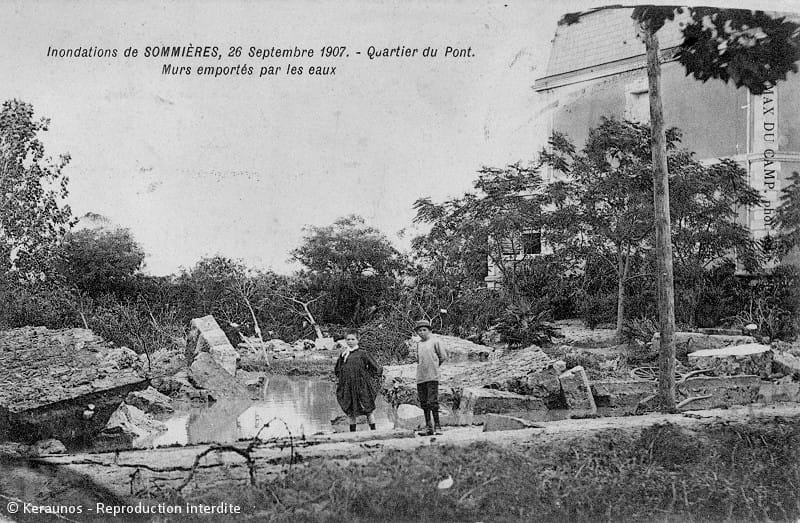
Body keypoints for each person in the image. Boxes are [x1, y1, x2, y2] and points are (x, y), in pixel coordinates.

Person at [334, 330, 382, 432]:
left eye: (353, 339)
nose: (350, 341)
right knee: (351, 411)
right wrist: (343, 381)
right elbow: (338, 370)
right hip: (349, 387)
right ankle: (353, 433)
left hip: (362, 386)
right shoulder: (344, 355)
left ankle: (374, 431)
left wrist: (367, 377)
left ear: (358, 340)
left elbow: (375, 368)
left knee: (368, 409)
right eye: (348, 339)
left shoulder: (363, 354)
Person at [414, 319, 446, 436]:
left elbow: (442, 356)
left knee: (433, 401)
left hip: (432, 376)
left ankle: (438, 426)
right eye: (420, 331)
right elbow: (418, 360)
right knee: (424, 402)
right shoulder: (418, 344)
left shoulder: (435, 341)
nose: (422, 332)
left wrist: (435, 368)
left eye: (424, 330)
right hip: (421, 377)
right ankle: (429, 427)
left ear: (430, 331)